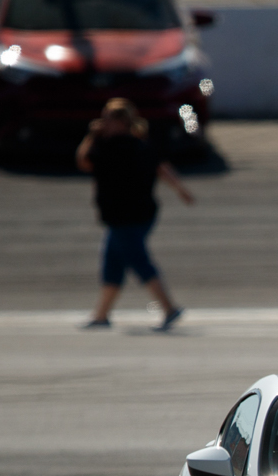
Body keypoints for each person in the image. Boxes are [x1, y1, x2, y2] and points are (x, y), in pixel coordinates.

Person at [75, 99, 193, 331]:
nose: (103, 123)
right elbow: (162, 168)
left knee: (137, 260)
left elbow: (83, 161)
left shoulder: (111, 147)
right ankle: (101, 315)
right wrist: (180, 189)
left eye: (108, 118)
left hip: (129, 216)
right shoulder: (136, 144)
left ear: (120, 122)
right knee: (113, 261)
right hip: (129, 215)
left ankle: (170, 308)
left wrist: (90, 136)